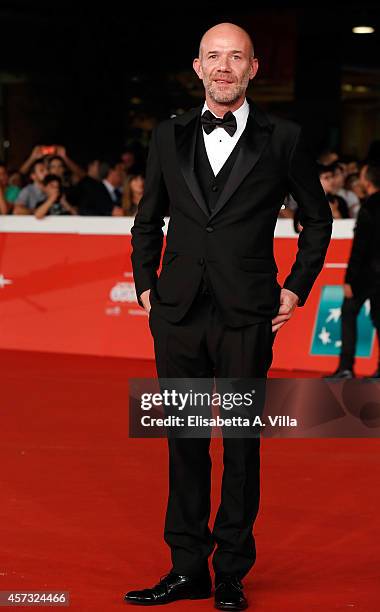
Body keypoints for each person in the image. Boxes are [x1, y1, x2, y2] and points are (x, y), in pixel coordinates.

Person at [126, 23, 332, 610]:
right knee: (184, 442)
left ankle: (232, 573)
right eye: (214, 56)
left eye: (235, 56)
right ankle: (187, 567)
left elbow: (316, 221)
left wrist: (296, 288)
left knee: (241, 446)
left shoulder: (284, 137)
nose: (224, 66)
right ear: (197, 68)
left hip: (249, 315)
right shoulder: (167, 135)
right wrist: (146, 285)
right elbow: (148, 217)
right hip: (179, 314)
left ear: (253, 68)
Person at [325, 163, 380, 379]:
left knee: (348, 313)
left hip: (365, 275)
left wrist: (349, 279)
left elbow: (360, 246)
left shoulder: (368, 207)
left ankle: (346, 367)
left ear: (367, 182)